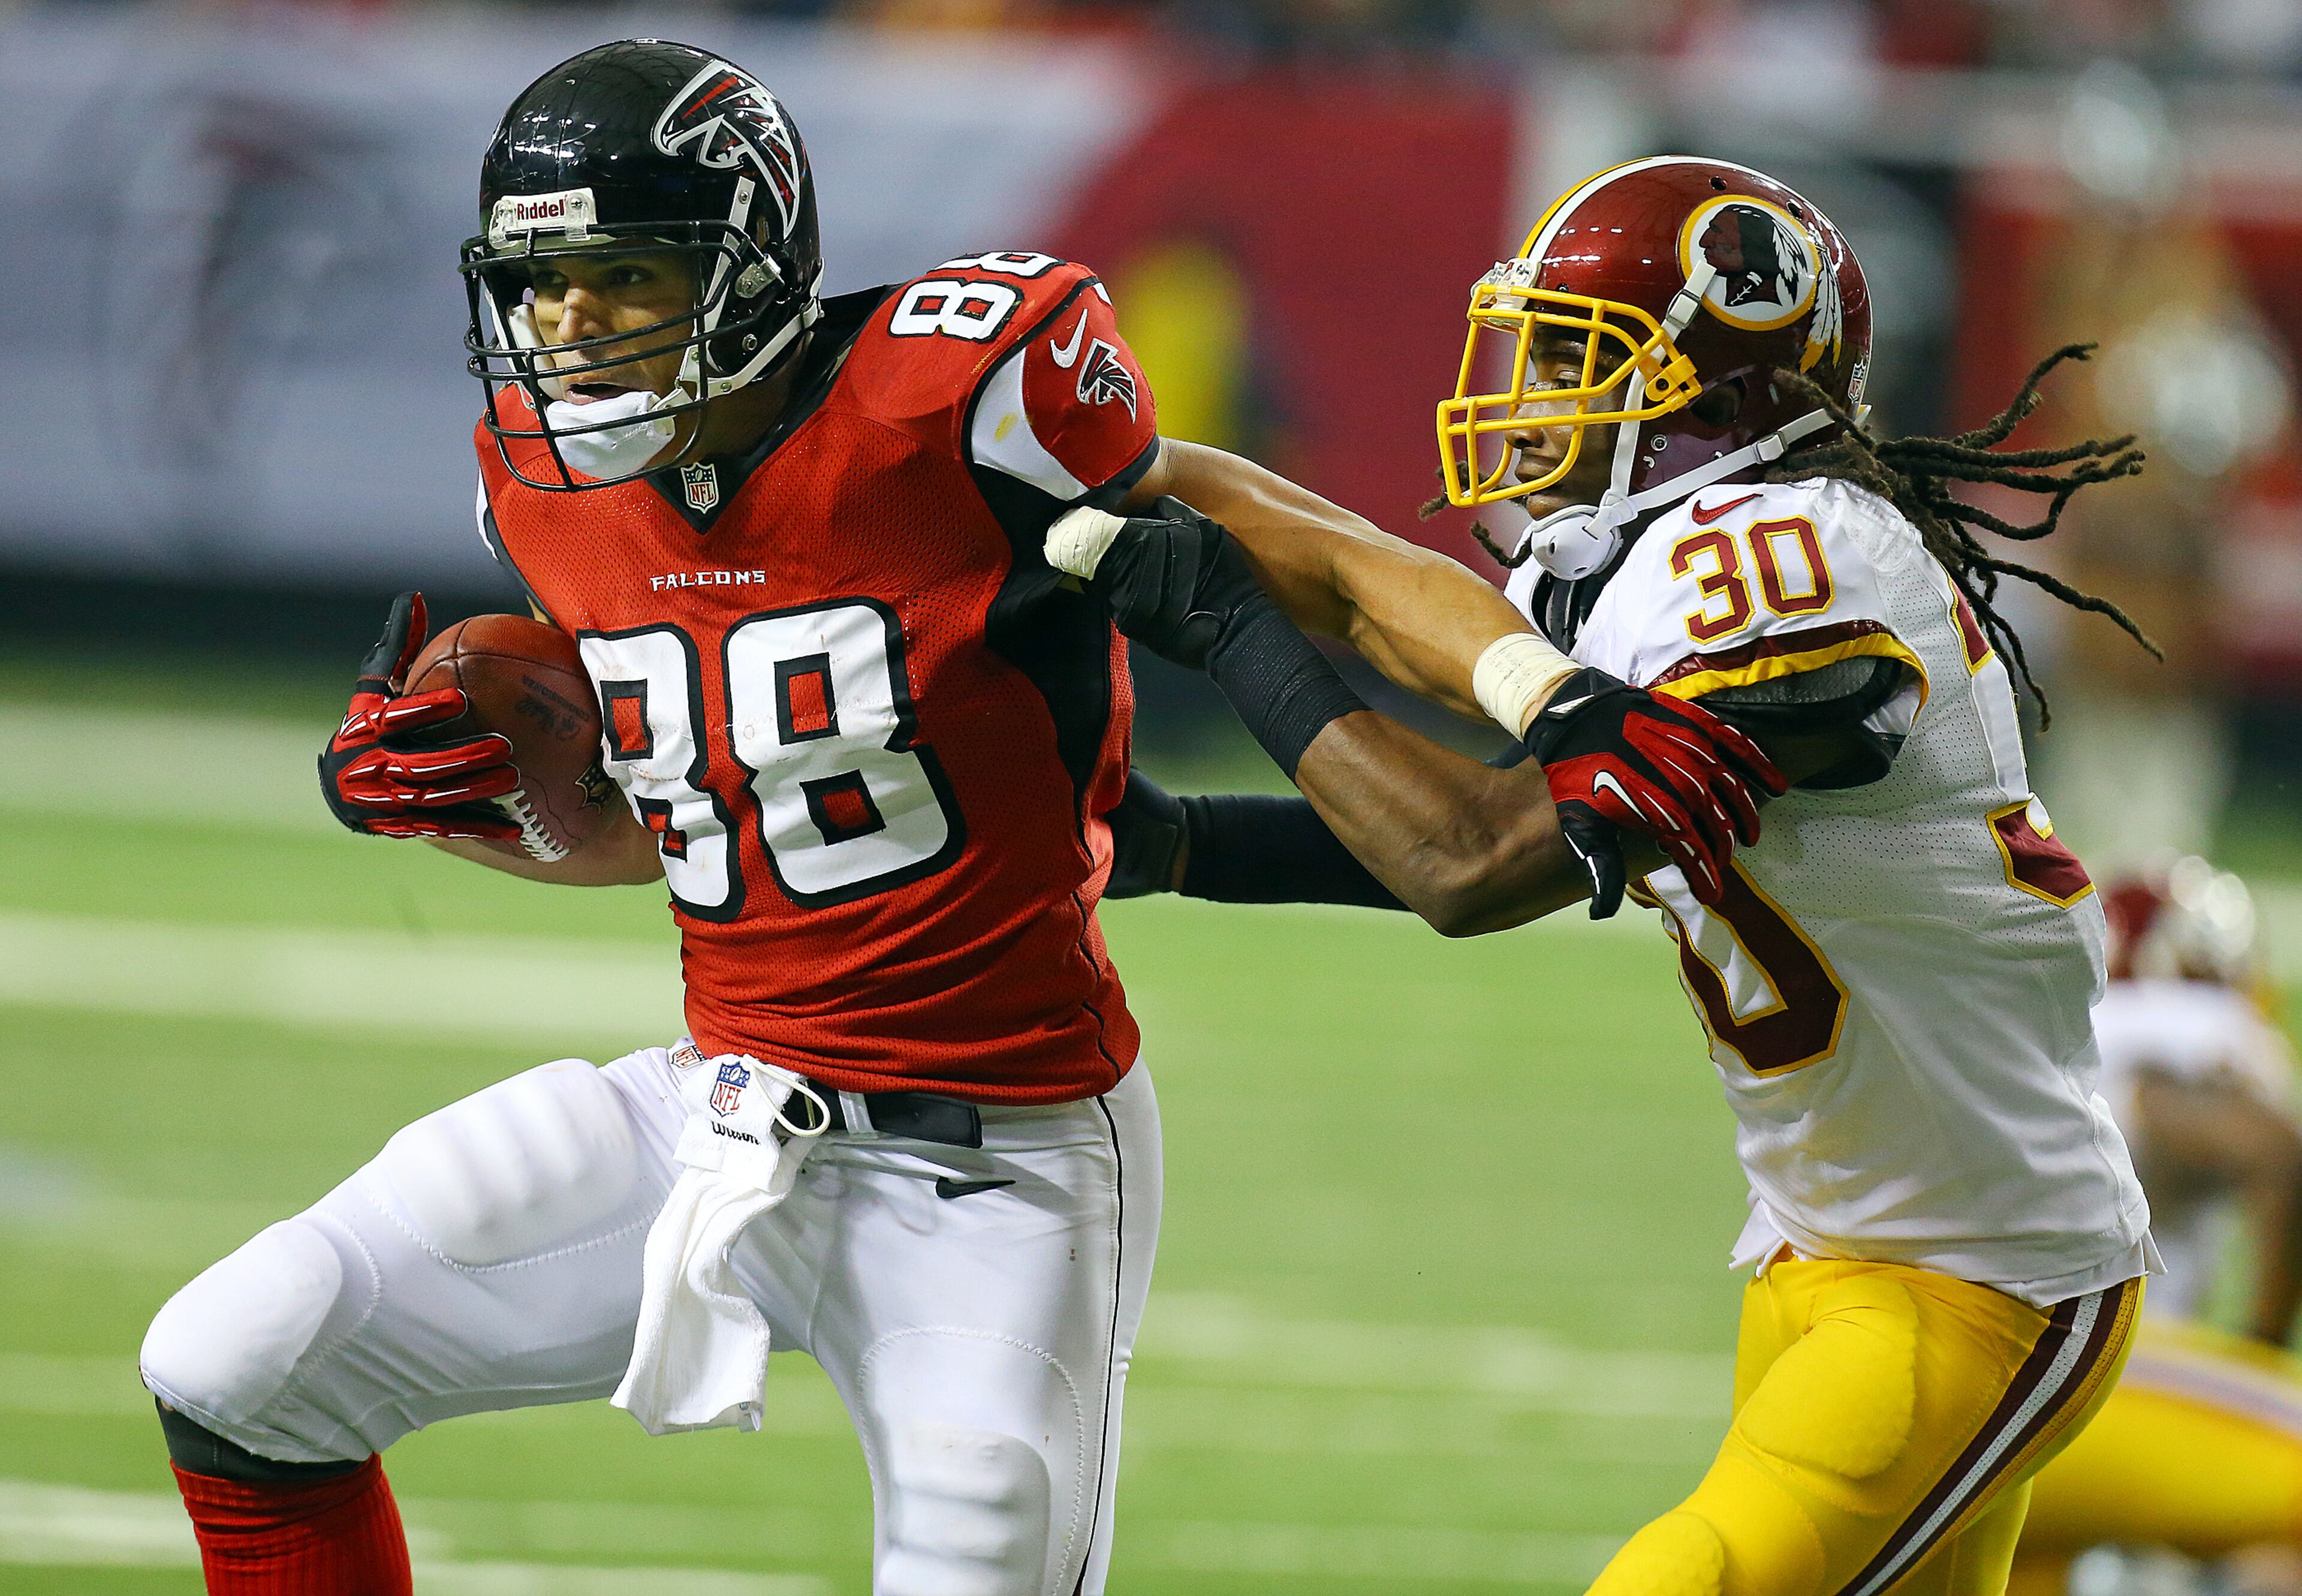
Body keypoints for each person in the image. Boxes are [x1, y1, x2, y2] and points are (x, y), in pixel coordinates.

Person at [134, 46, 1773, 1596]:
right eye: (540, 284)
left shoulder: (961, 388)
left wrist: (1542, 692)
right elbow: (702, 818)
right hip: (723, 1103)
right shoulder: (536, 477)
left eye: (624, 273)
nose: (572, 324)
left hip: (999, 1158)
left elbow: (1314, 553)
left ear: (746, 258)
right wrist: (467, 802)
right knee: (240, 1357)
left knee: (981, 1535)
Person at [1065, 156, 2163, 1594]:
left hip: (1980, 1276)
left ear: (1714, 394)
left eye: (1583, 362)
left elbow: (1473, 858)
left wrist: (1218, 621)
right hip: (1825, 1252)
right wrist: (1102, 478)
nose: (1537, 395)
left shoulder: (1798, 558)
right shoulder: (1664, 561)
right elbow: (1354, 584)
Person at [2009, 861, 2302, 1596]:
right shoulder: (2197, 1030)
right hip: (2098, 1379)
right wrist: (2258, 1346)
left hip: (1974, 1384)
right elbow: (2274, 1155)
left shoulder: (2039, 1025)